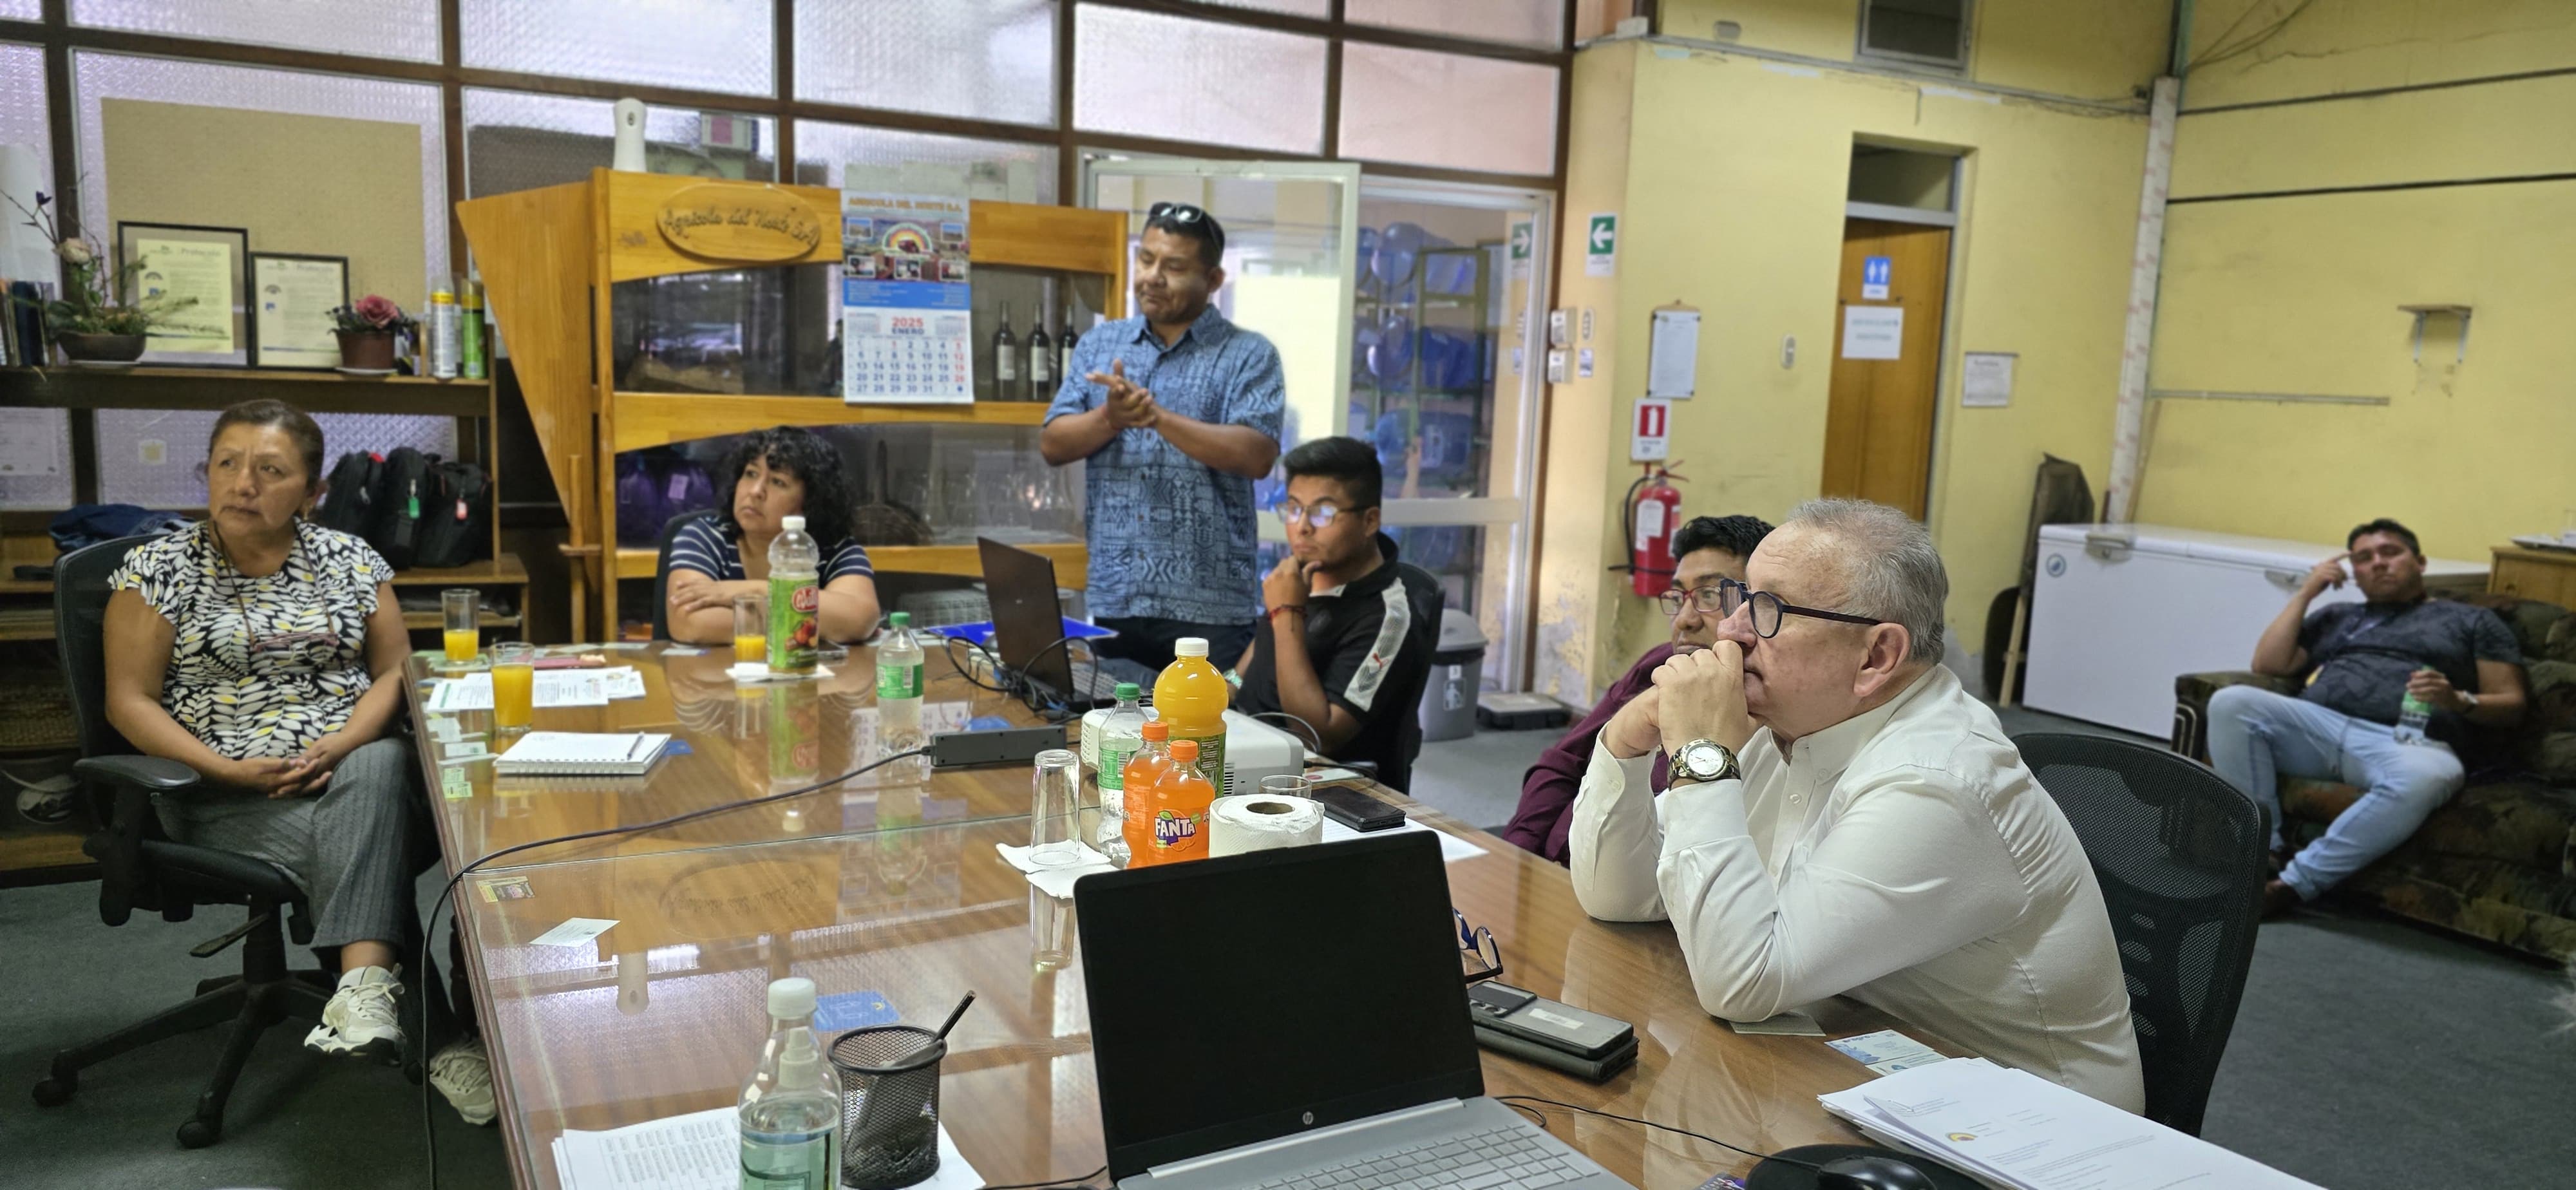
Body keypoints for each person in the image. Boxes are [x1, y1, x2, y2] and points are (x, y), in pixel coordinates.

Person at [1567, 498, 2143, 1111]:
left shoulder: (1938, 782)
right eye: (1741, 597)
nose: (1731, 630)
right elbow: (1621, 898)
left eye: (1769, 610)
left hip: (2023, 1124)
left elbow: (1744, 981)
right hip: (1857, 1054)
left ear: (1876, 657)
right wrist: (1623, 746)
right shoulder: (1785, 720)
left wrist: (1701, 756)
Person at [100, 400, 489, 1115]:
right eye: (227, 464)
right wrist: (223, 770)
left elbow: (394, 673)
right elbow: (129, 701)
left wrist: (344, 741)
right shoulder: (158, 568)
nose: (243, 483)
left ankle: (365, 994)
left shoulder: (350, 560)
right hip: (221, 795)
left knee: (377, 768)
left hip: (355, 775)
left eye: (270, 470)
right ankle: (435, 1037)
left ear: (312, 491)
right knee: (366, 846)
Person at [2207, 518, 2524, 916]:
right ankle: (2263, 851)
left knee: (2430, 777)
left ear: (2420, 562)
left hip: (2406, 742)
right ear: (2353, 572)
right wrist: (2307, 591)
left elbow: (2512, 704)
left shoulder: (2472, 621)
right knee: (2231, 702)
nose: (2378, 563)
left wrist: (2459, 700)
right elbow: (2268, 664)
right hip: (2319, 728)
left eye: (2390, 552)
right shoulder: (2339, 616)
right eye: (2363, 558)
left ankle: (2291, 885)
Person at [1041, 202, 1284, 671]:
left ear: (1214, 280)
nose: (1153, 277)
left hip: (1210, 607)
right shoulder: (1101, 344)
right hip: (1117, 596)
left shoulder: (1249, 354)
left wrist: (1157, 418)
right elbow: (1053, 444)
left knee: (1206, 721)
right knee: (1116, 719)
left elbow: (1256, 455)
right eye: (1146, 259)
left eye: (1174, 267)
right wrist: (1110, 417)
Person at [1500, 514, 1773, 864]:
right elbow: (1563, 763)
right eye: (1678, 597)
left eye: (1710, 595)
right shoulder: (1658, 664)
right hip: (1552, 865)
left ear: (1757, 604)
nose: (1684, 619)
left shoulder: (1762, 711)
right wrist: (1517, 857)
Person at [1230, 437, 1441, 792]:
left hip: (1313, 785)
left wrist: (1287, 613)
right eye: (1294, 509)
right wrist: (1216, 690)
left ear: (1369, 521)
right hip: (1248, 749)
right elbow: (1244, 671)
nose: (1302, 527)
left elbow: (1319, 735)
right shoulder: (1300, 577)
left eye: (1323, 513)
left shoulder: (1391, 617)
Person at [665, 426, 881, 645]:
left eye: (778, 482)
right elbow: (691, 624)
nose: (755, 491)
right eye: (751, 474)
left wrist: (755, 591)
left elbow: (859, 619)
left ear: (811, 501)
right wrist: (811, 624)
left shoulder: (835, 548)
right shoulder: (703, 537)